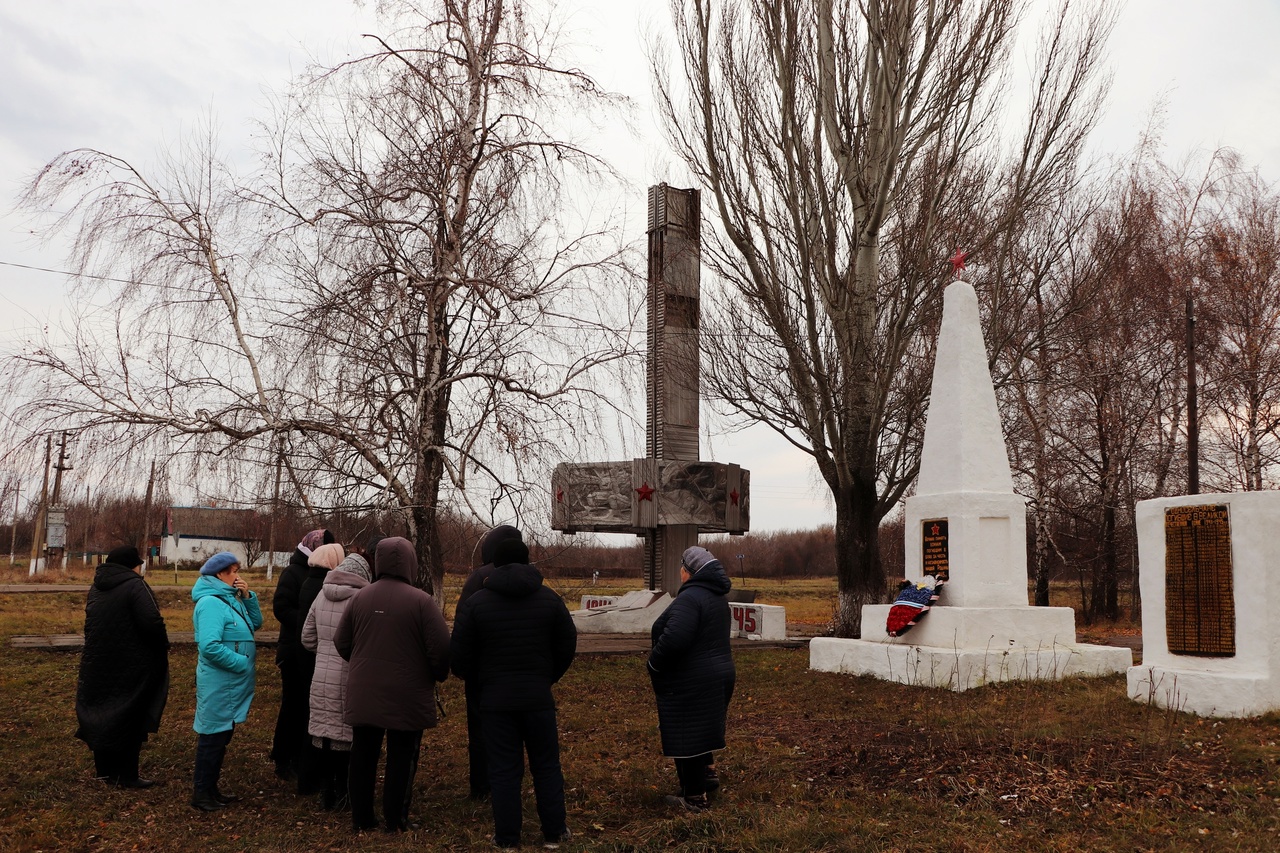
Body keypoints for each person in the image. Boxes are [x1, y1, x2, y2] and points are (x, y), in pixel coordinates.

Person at [451, 538, 576, 849]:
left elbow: (459, 655)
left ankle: (507, 838)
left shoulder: (476, 603)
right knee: (546, 765)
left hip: (495, 702)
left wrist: (482, 682)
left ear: (495, 564)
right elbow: (567, 644)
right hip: (537, 699)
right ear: (527, 560)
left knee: (504, 770)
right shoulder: (549, 599)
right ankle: (555, 833)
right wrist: (547, 677)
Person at [334, 536, 450, 833]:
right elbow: (440, 651)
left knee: (363, 754)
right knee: (402, 756)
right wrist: (435, 674)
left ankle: (362, 819)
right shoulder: (423, 601)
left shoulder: (360, 597)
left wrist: (363, 665)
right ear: (411, 562)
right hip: (407, 693)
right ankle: (395, 820)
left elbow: (341, 642)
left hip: (364, 690)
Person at [647, 545, 736, 812]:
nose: (680, 574)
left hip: (693, 677)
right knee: (701, 728)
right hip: (718, 673)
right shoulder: (717, 597)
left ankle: (694, 799)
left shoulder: (691, 598)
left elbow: (675, 639)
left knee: (687, 732)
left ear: (689, 571)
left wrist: (654, 662)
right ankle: (707, 775)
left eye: (681, 569)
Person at [75, 545, 169, 788]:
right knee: (131, 714)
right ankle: (127, 776)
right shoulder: (135, 585)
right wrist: (162, 647)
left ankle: (104, 771)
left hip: (98, 662)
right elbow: (152, 622)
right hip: (132, 664)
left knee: (102, 713)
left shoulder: (97, 586)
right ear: (132, 565)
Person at [191, 551, 263, 812]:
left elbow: (255, 623)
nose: (237, 576)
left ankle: (211, 789)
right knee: (212, 736)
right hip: (221, 681)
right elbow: (209, 646)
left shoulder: (230, 599)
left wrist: (248, 597)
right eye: (233, 571)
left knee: (222, 735)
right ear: (219, 575)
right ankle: (201, 793)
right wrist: (241, 663)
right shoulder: (210, 603)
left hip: (230, 682)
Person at [457, 524, 524, 800]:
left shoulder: (478, 578)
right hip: (521, 671)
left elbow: (463, 626)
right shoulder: (529, 577)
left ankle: (481, 786)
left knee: (481, 730)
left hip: (482, 673)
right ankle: (511, 782)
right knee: (516, 729)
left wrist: (464, 667)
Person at [301, 546, 369, 810]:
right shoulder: (362, 599)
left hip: (320, 675)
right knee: (346, 737)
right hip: (350, 676)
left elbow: (306, 638)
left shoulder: (321, 595)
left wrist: (325, 652)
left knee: (325, 736)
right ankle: (344, 793)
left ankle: (326, 792)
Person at [271, 528, 334, 781]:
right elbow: (280, 607)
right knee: (292, 706)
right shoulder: (293, 572)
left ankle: (301, 755)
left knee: (307, 706)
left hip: (309, 650)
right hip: (292, 650)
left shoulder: (321, 572)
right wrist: (310, 620)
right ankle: (283, 758)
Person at [292, 541, 345, 794]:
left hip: (311, 658)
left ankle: (307, 778)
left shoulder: (309, 582)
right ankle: (320, 780)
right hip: (321, 663)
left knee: (312, 720)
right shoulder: (323, 587)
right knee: (323, 725)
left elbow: (308, 634)